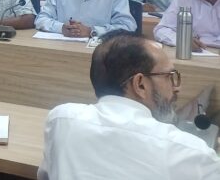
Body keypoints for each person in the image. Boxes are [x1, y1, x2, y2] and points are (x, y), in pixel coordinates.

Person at [38, 31, 220, 179]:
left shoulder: (62, 120)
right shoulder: (190, 151)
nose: (177, 87)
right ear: (140, 85)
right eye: (169, 76)